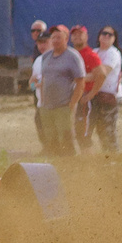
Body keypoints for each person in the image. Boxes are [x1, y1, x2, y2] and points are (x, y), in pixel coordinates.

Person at [30, 27, 83, 155]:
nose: (55, 40)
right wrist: (42, 102)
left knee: (66, 140)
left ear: (66, 38)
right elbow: (43, 80)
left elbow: (80, 82)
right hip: (47, 107)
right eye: (53, 37)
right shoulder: (46, 57)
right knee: (50, 141)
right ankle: (55, 167)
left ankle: (71, 168)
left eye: (59, 37)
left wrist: (73, 104)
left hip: (63, 105)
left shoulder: (72, 56)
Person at [84, 24, 122, 153]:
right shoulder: (95, 52)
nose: (106, 36)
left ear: (114, 39)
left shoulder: (113, 53)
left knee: (107, 130)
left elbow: (102, 73)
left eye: (110, 35)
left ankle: (113, 158)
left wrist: (79, 78)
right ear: (99, 36)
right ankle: (106, 157)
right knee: (97, 129)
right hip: (95, 95)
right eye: (104, 34)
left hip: (109, 96)